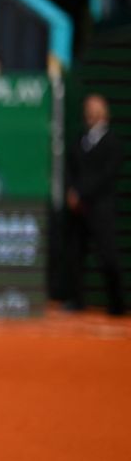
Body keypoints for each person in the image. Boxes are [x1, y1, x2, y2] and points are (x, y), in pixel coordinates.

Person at [65, 94, 125, 316]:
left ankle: (116, 305)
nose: (91, 114)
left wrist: (81, 193)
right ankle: (77, 300)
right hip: (77, 207)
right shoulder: (79, 138)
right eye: (88, 109)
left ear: (104, 113)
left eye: (95, 109)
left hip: (101, 207)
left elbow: (106, 175)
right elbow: (70, 168)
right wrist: (72, 192)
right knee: (75, 254)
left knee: (108, 255)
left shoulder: (112, 142)